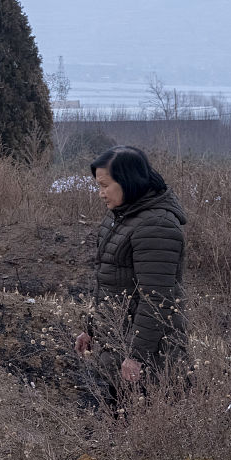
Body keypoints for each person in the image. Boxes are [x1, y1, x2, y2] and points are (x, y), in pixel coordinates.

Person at [74, 146, 187, 403]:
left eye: (105, 185)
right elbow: (110, 283)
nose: (100, 193)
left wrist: (137, 356)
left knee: (144, 429)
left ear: (127, 181)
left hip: (151, 357)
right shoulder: (121, 217)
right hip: (121, 346)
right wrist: (91, 328)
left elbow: (157, 299)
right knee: (119, 424)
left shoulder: (157, 226)